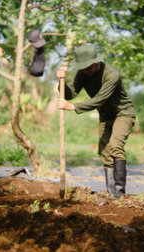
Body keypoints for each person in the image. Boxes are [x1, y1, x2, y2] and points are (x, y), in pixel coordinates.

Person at [56, 44, 136, 198]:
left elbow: (100, 99)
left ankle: (120, 195)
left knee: (115, 146)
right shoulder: (82, 74)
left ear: (96, 62)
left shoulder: (112, 74)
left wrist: (73, 107)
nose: (85, 70)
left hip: (123, 113)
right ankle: (112, 194)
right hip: (106, 116)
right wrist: (61, 81)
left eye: (88, 67)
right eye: (83, 67)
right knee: (105, 152)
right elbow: (70, 93)